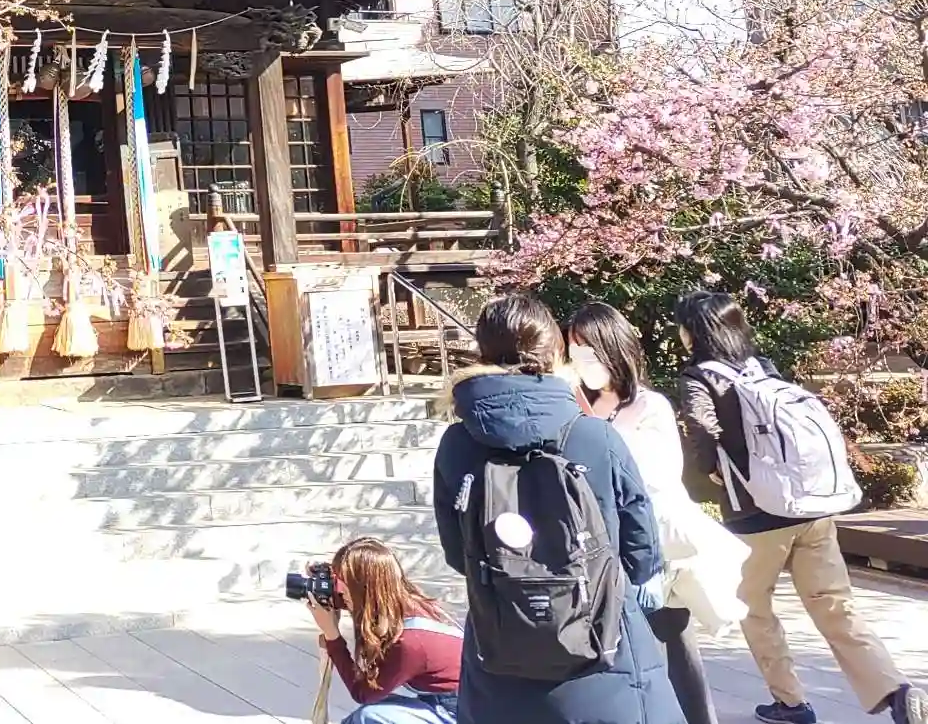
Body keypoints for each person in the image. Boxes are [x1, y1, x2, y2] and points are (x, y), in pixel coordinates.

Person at [433, 293, 684, 724]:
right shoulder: (594, 436)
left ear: (482, 351)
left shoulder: (457, 444)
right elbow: (641, 542)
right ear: (554, 350)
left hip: (500, 644)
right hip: (603, 640)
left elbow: (457, 553)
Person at [677, 291, 926, 724]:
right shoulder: (762, 367)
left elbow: (702, 425)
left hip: (756, 515)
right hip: (811, 507)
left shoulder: (700, 376)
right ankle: (896, 691)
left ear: (694, 332)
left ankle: (790, 703)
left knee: (753, 606)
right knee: (835, 604)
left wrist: (712, 468)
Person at [567, 302, 747, 724]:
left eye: (589, 349)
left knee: (674, 645)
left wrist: (599, 440)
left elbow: (659, 476)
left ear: (613, 348)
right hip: (596, 543)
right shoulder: (572, 405)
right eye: (574, 350)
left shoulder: (650, 406)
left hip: (650, 543)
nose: (581, 360)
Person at [303, 536, 461, 724]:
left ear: (363, 588)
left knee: (367, 717)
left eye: (342, 586)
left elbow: (363, 692)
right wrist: (324, 583)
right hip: (449, 701)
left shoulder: (409, 642)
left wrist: (332, 635)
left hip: (461, 713)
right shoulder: (400, 602)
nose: (340, 592)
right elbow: (358, 601)